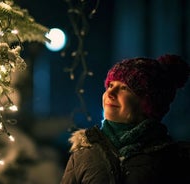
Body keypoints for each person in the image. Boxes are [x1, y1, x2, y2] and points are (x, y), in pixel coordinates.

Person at [61, 54, 190, 184]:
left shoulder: (172, 160)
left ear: (147, 103)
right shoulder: (83, 155)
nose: (110, 93)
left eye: (124, 88)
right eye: (110, 85)